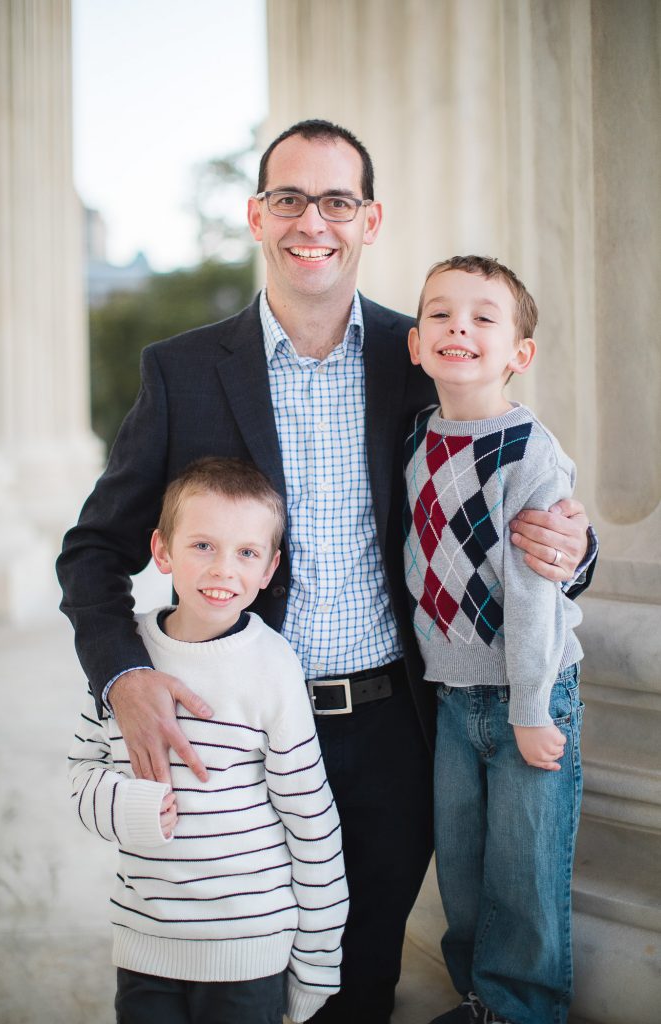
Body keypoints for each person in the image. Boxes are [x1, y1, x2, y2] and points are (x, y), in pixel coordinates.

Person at [57, 120, 594, 1024]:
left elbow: (513, 487)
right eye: (290, 198)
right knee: (241, 990)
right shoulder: (182, 372)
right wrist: (123, 676)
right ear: (256, 216)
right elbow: (92, 552)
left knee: (358, 987)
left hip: (392, 732)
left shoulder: (419, 353)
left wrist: (569, 553)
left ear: (369, 219)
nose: (315, 221)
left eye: (337, 200)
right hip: (238, 743)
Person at [68, 457, 348, 1024]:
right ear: (162, 550)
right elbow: (80, 774)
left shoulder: (273, 667)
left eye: (246, 553)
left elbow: (311, 821)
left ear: (269, 568)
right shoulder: (124, 657)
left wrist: (316, 962)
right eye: (202, 546)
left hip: (250, 950)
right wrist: (130, 805)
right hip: (145, 942)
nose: (223, 570)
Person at [404, 255, 586, 1024]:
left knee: (525, 871)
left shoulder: (529, 453)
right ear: (415, 344)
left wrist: (532, 706)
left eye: (483, 317)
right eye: (441, 314)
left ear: (519, 351)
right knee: (467, 870)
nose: (459, 328)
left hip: (530, 693)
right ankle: (480, 1002)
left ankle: (522, 1011)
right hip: (453, 696)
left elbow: (536, 595)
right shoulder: (420, 437)